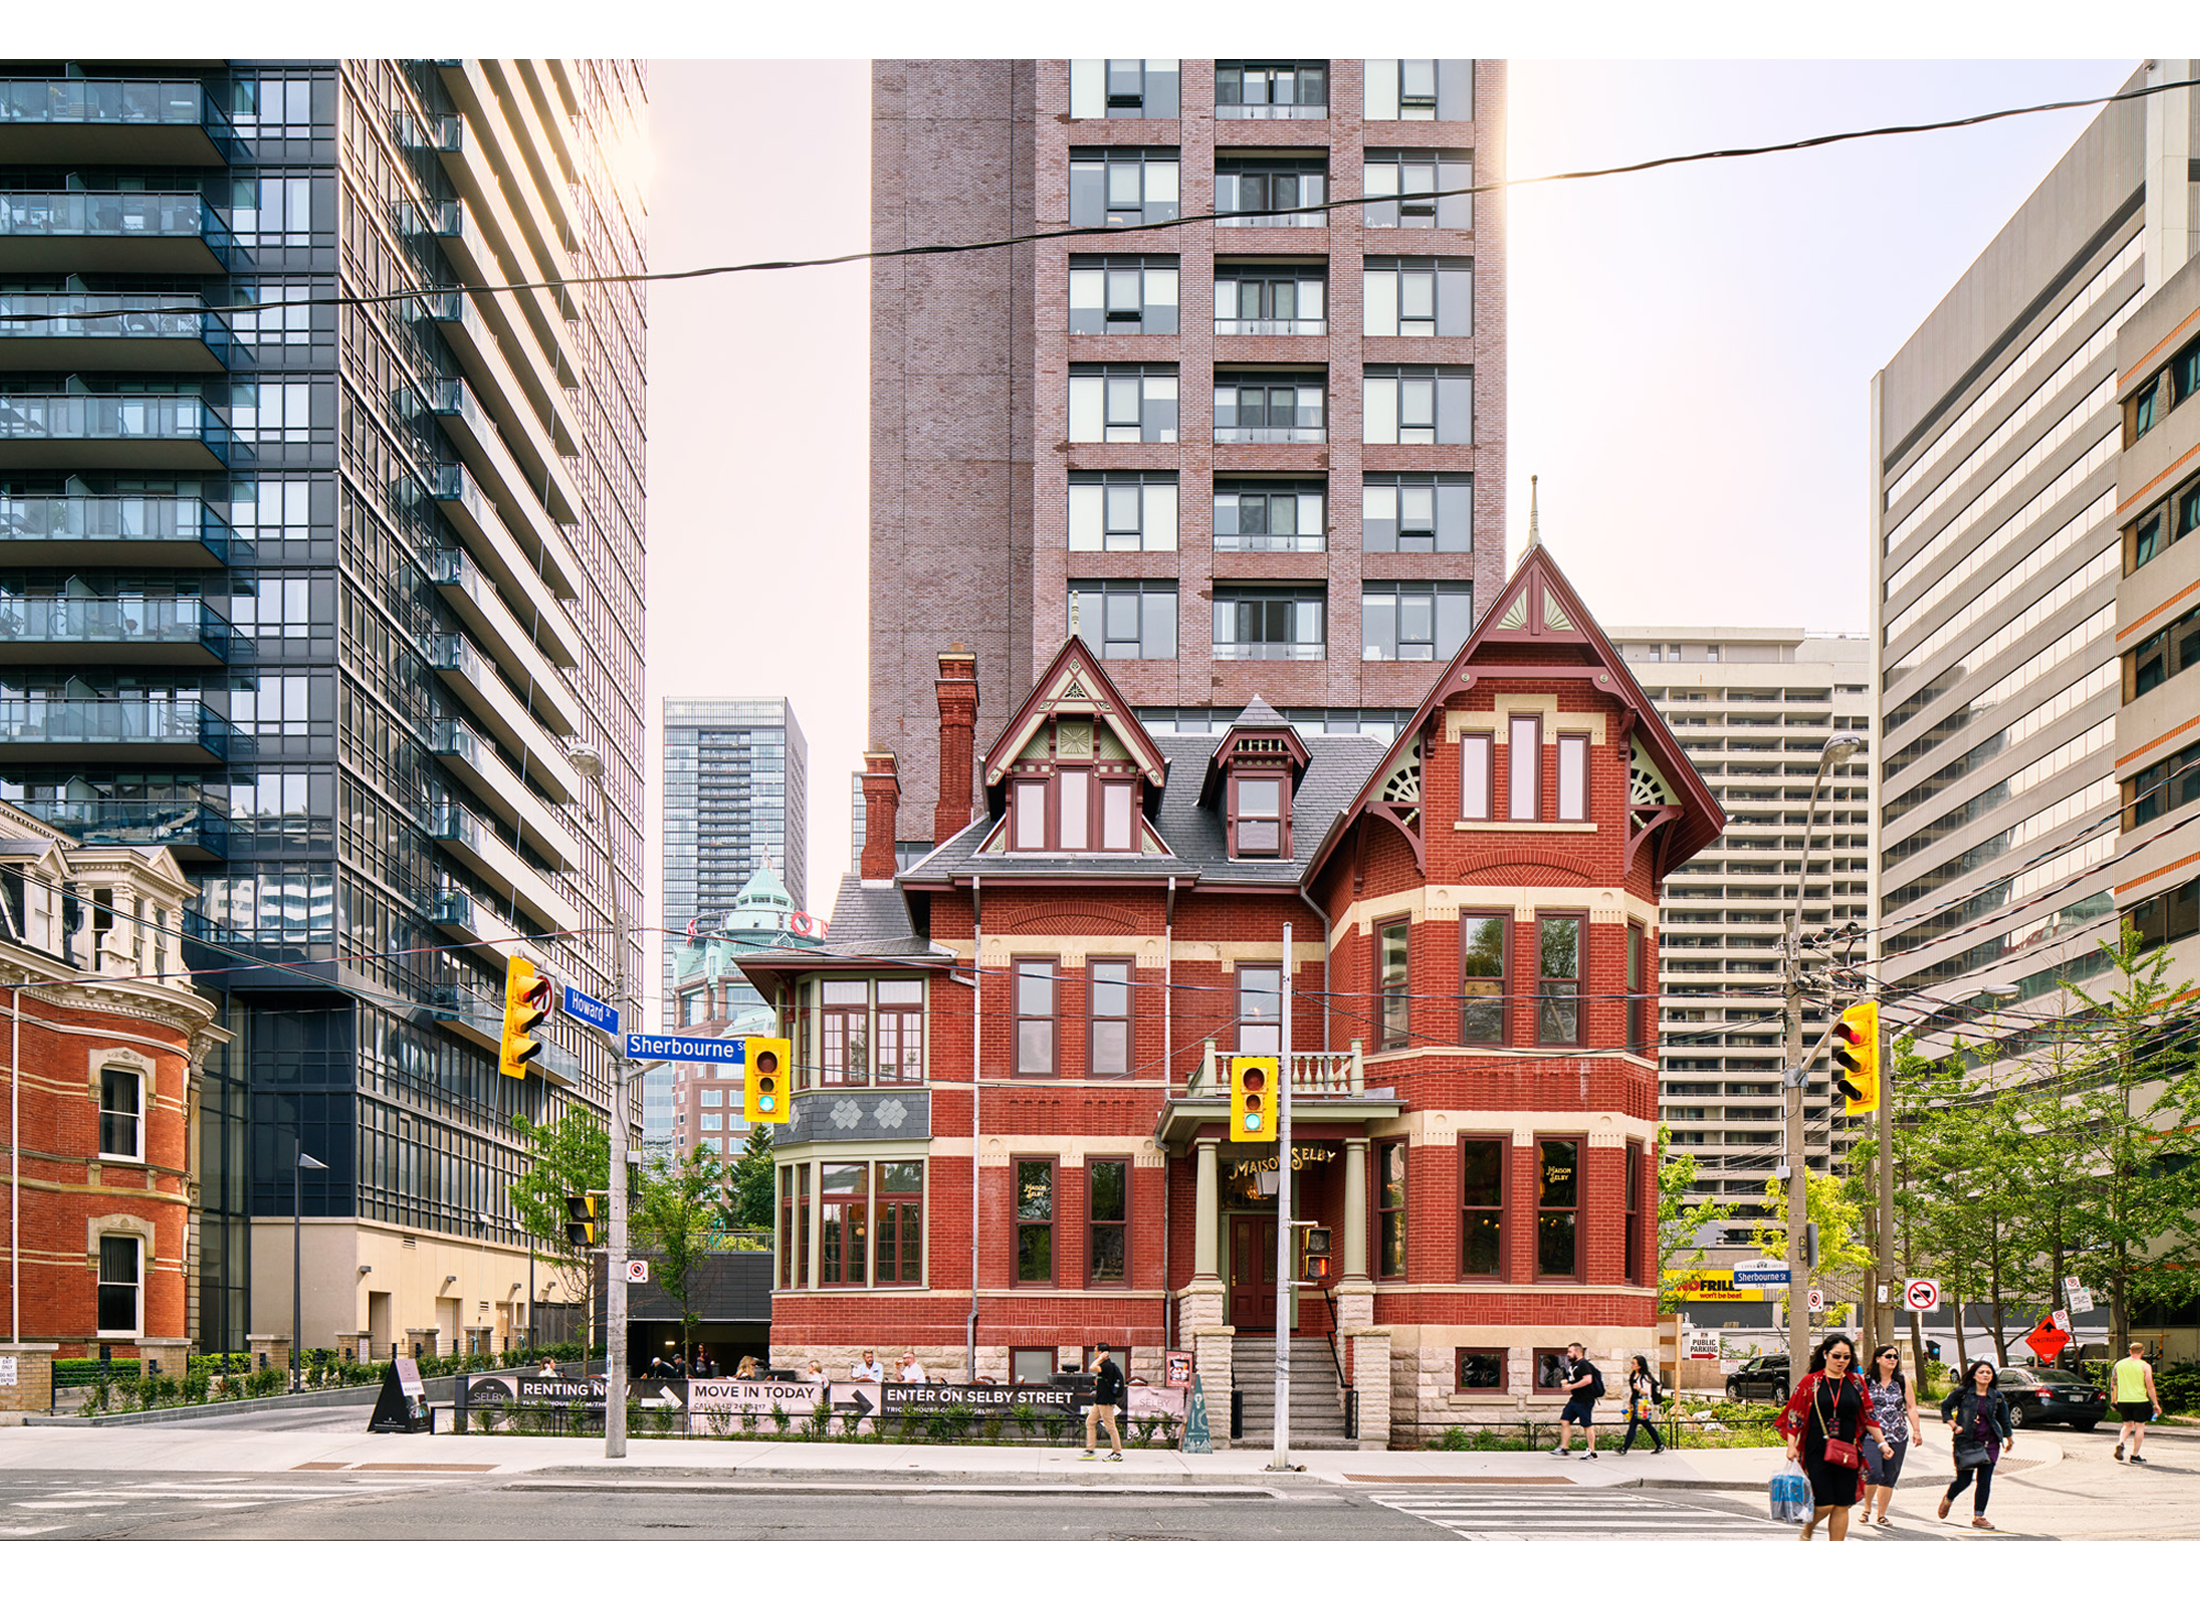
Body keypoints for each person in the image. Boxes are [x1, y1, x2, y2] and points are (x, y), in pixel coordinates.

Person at [1777, 1333, 1893, 1542]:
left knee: (1842, 1503)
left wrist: (1882, 1443)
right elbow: (1795, 1414)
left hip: (1848, 1450)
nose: (1841, 1361)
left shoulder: (1856, 1382)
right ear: (1825, 1354)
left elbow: (1869, 1415)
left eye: (1846, 1357)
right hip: (1817, 1450)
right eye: (1837, 1356)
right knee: (1826, 1502)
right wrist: (1791, 1445)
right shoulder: (1811, 1382)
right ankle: (1808, 1529)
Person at [1936, 1358, 2014, 1531]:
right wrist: (1954, 1426)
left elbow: (2004, 1419)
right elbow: (1945, 1408)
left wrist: (2008, 1438)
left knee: (1984, 1480)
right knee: (1964, 1480)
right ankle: (1949, 1498)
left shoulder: (1997, 1396)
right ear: (1974, 1375)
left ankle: (1979, 1516)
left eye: (1988, 1372)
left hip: (1990, 1442)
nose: (1985, 1375)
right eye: (1981, 1372)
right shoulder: (1963, 1393)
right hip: (1966, 1442)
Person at [1860, 1343, 1923, 1528]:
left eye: (1895, 1357)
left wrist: (1916, 1431)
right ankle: (1866, 1509)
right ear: (1878, 1358)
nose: (1893, 1360)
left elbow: (1911, 1407)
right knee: (1873, 1472)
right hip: (1872, 1436)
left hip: (1898, 1435)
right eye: (1888, 1356)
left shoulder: (1902, 1381)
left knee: (1889, 1476)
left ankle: (1881, 1515)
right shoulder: (1867, 1381)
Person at [1547, 1342, 1604, 1459]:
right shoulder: (1574, 1365)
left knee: (1586, 1425)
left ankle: (1591, 1452)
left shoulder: (1583, 1364)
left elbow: (1588, 1380)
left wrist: (1571, 1387)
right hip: (1575, 1399)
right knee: (1564, 1421)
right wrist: (1569, 1384)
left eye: (1570, 1352)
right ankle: (1564, 1448)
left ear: (1577, 1352)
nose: (1567, 1354)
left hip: (1585, 1400)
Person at [2112, 1340, 2162, 1464]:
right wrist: (2155, 1403)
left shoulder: (2119, 1364)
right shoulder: (2145, 1366)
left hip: (2123, 1399)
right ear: (2142, 1352)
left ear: (2130, 1351)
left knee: (2127, 1425)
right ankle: (2135, 1455)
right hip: (2140, 1400)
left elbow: (2113, 1383)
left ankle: (2121, 1443)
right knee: (2140, 1426)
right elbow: (2150, 1386)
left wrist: (2114, 1400)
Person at [1078, 1343, 1126, 1461]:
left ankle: (1117, 1452)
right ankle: (1090, 1449)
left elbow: (1092, 1367)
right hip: (1099, 1400)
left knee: (1110, 1426)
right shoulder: (1104, 1365)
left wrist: (1100, 1358)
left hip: (1106, 1401)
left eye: (1096, 1351)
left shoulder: (1107, 1365)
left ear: (1103, 1353)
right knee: (1090, 1422)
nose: (1094, 1353)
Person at [1615, 1355, 1665, 1456]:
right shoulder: (1634, 1375)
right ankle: (1659, 1444)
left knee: (1633, 1425)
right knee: (1647, 1425)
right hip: (1636, 1402)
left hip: (1643, 1403)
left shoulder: (1645, 1377)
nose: (1632, 1365)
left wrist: (1638, 1388)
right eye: (1632, 1363)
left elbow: (1647, 1392)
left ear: (1640, 1366)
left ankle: (1624, 1448)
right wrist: (1630, 1402)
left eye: (1634, 1363)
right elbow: (1633, 1391)